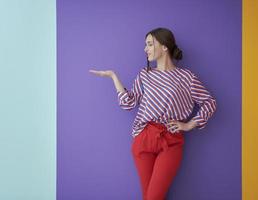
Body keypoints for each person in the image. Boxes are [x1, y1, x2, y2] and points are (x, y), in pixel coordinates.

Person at [89, 27, 217, 200]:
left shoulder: (186, 77)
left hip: (171, 139)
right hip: (144, 138)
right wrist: (113, 77)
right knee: (148, 197)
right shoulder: (145, 75)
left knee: (153, 197)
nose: (145, 49)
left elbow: (209, 102)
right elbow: (129, 103)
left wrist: (188, 124)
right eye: (145, 45)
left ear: (164, 46)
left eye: (150, 44)